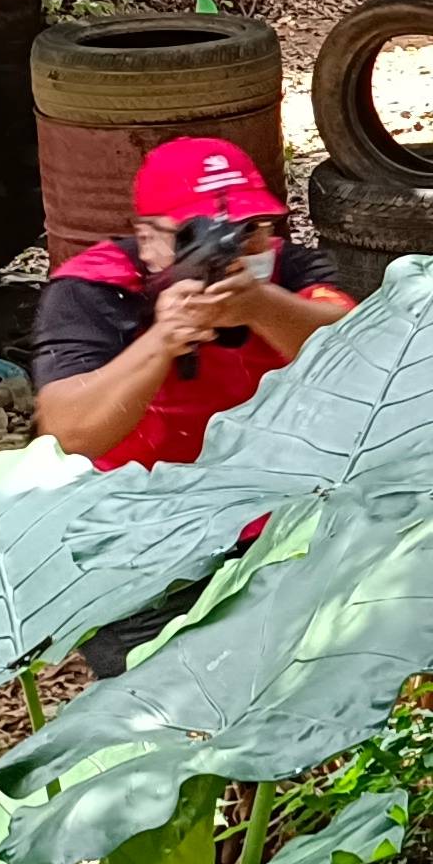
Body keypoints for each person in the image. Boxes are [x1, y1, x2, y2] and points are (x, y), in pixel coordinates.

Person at [29, 134, 352, 669]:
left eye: (251, 232)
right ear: (148, 240)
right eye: (192, 237)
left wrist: (261, 307)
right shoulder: (94, 288)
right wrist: (163, 338)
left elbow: (365, 352)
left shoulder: (287, 271)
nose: (237, 250)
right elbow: (68, 433)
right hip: (136, 542)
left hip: (277, 526)